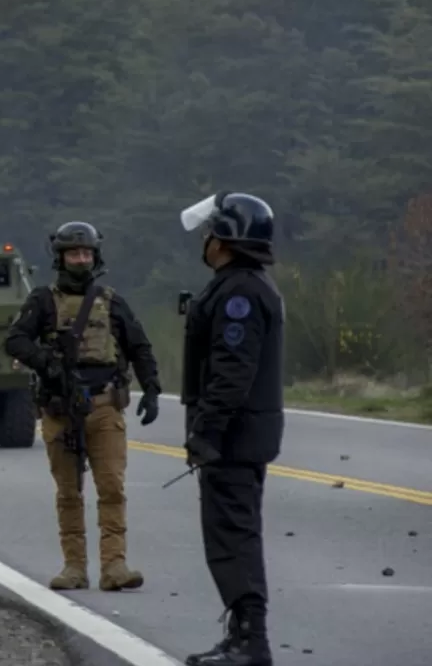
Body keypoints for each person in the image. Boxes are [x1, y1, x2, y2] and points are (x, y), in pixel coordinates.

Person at [4, 221, 162, 592]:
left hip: (105, 407)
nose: (81, 259)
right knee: (69, 492)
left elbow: (139, 347)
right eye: (74, 253)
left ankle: (114, 566)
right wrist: (47, 362)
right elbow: (15, 341)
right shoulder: (42, 301)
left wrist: (152, 389)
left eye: (86, 253)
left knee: (111, 488)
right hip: (60, 411)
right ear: (61, 258)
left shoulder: (111, 301)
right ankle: (74, 567)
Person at [178, 192, 283, 666]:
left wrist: (206, 431)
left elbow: (232, 371)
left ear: (226, 240)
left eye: (210, 234)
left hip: (233, 439)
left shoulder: (239, 292)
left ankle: (250, 643)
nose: (205, 242)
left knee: (232, 537)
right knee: (233, 534)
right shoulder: (243, 284)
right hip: (240, 436)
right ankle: (242, 638)